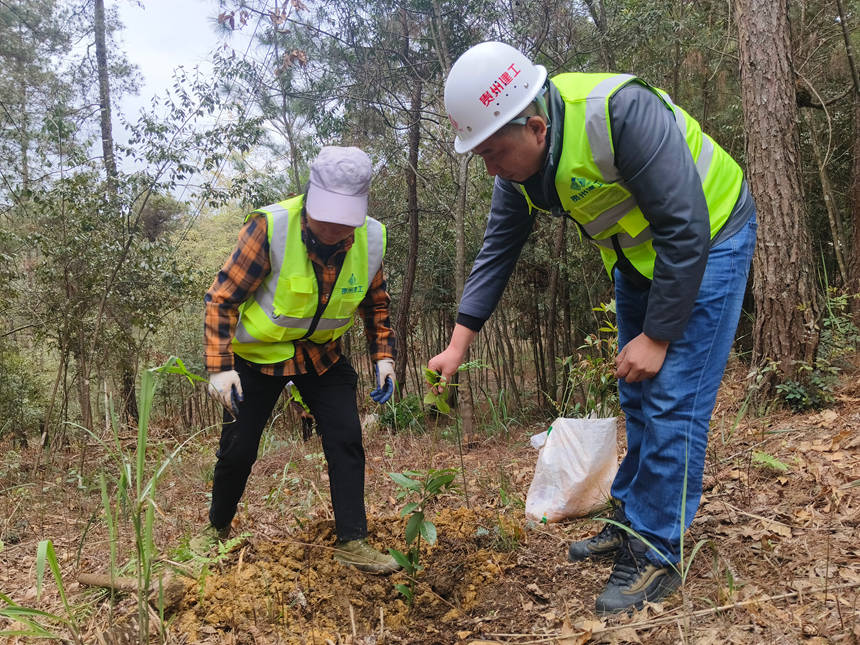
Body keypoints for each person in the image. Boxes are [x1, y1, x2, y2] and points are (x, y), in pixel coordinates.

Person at [429, 42, 757, 613]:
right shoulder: (519, 173)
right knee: (637, 394)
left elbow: (686, 226)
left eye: (493, 152)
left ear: (535, 126)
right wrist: (459, 345)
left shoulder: (620, 113)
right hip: (638, 258)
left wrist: (657, 336)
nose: (490, 169)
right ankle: (633, 519)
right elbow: (496, 252)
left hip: (711, 239)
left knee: (673, 402)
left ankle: (658, 551)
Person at [198, 145, 400, 574]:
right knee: (238, 448)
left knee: (346, 440)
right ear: (310, 195)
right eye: (324, 214)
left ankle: (352, 541)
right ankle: (215, 530)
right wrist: (219, 367)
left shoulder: (371, 238)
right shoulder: (271, 228)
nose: (332, 227)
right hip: (257, 360)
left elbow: (376, 303)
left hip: (323, 358)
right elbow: (222, 299)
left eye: (344, 219)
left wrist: (384, 357)